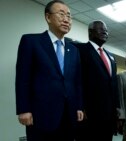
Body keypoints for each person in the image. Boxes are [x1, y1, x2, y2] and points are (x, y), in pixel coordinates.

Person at [15, 1, 84, 141]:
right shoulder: (31, 41)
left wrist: (79, 106)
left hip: (69, 114)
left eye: (69, 16)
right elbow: (23, 78)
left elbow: (77, 82)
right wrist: (23, 109)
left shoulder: (74, 50)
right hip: (41, 114)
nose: (66, 19)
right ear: (48, 17)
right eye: (61, 14)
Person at [73, 20, 119, 141]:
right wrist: (80, 106)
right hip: (89, 113)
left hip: (109, 114)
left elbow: (113, 83)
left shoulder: (111, 56)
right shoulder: (79, 49)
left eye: (106, 30)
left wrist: (117, 107)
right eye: (101, 29)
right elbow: (76, 79)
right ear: (90, 32)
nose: (105, 32)